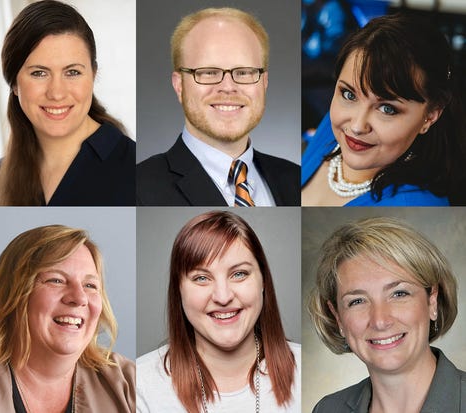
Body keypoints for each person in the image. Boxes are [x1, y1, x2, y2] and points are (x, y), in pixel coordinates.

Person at [137, 211, 300, 412]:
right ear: (178, 289)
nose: (223, 297)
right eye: (201, 278)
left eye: (239, 274)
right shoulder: (137, 385)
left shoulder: (305, 373)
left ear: (263, 280)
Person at [136, 8, 300, 207]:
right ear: (179, 85)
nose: (228, 87)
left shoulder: (296, 179)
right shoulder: (137, 188)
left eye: (244, 72)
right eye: (208, 72)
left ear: (264, 82)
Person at [301, 13, 466, 206]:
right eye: (349, 95)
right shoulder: (332, 126)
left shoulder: (415, 205)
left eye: (387, 109)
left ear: (430, 115)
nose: (356, 126)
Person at [0, 0, 135, 206]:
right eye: (39, 73)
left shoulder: (135, 168)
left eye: (72, 72)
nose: (56, 93)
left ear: (93, 75)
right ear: (14, 84)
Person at [0, 224, 135, 412]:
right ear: (14, 293)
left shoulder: (128, 382)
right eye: (56, 280)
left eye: (90, 285)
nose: (79, 298)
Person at [308, 217, 465, 412]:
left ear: (432, 299)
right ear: (338, 317)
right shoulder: (327, 409)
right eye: (357, 301)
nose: (380, 321)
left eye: (399, 294)